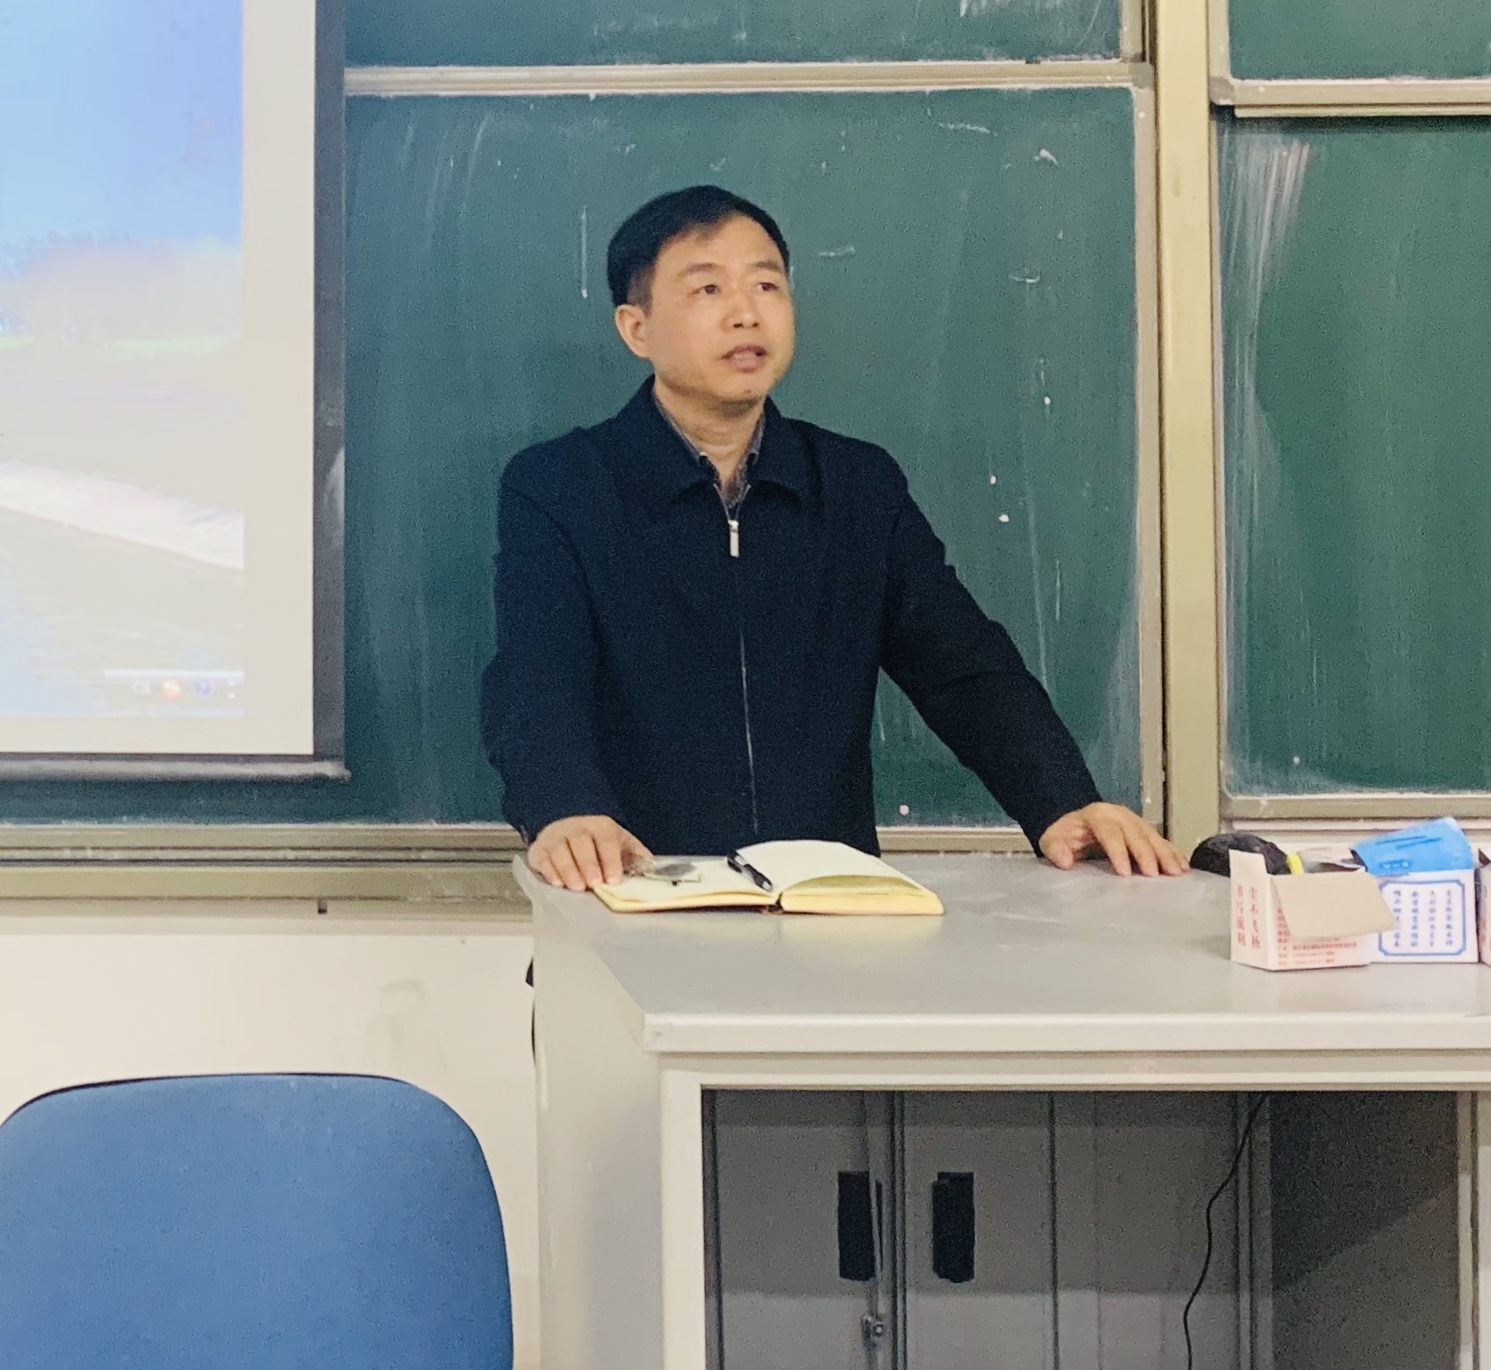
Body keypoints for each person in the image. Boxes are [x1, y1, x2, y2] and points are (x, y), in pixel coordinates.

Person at [484, 183, 1181, 892]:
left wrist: (1061, 800)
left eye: (766, 284)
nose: (745, 312)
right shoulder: (562, 487)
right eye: (707, 289)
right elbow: (535, 679)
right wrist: (564, 808)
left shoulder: (855, 487)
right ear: (637, 329)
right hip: (634, 892)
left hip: (826, 900)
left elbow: (963, 668)